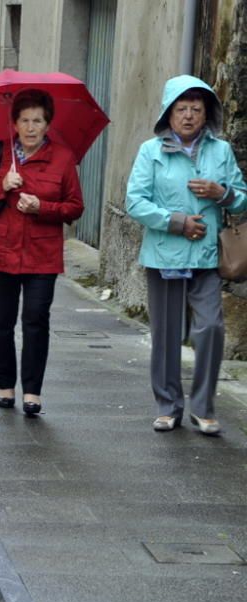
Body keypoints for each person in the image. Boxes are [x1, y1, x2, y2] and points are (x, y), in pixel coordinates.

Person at [126, 75, 247, 434]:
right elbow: (135, 201)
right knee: (166, 334)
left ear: (207, 113)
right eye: (182, 109)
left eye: (197, 109)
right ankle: (168, 405)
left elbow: (242, 197)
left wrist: (221, 192)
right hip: (165, 255)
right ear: (169, 113)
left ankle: (204, 407)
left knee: (210, 327)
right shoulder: (151, 151)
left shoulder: (220, 151)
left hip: (208, 257)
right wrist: (176, 222)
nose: (190, 116)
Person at [0, 89, 84, 416]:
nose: (31, 127)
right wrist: (1, 186)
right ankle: (5, 386)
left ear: (48, 125)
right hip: (1, 252)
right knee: (1, 323)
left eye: (38, 121)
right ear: (14, 124)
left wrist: (41, 207)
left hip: (42, 255)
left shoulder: (62, 158)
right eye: (25, 120)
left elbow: (75, 207)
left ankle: (33, 391)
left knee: (36, 321)